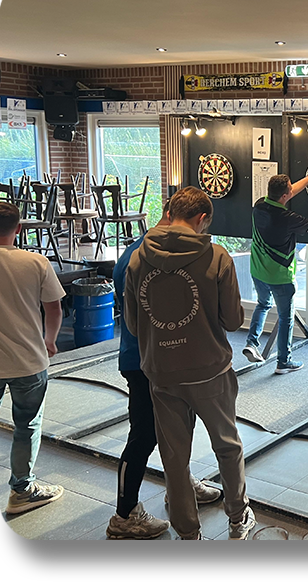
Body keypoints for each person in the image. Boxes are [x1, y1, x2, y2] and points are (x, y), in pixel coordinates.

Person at [123, 186, 255, 541]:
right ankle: (237, 519)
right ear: (202, 218)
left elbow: (133, 324)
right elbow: (233, 321)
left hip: (161, 371)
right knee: (227, 446)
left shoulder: (137, 258)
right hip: (209, 369)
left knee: (174, 458)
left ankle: (188, 532)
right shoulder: (217, 257)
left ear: (170, 213)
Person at [106, 200, 222, 539]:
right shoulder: (139, 256)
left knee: (178, 428)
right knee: (144, 435)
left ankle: (179, 488)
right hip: (144, 360)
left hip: (169, 359)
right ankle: (124, 514)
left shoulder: (145, 252)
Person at [0, 201, 66, 514]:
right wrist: (49, 340)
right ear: (19, 228)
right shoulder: (36, 262)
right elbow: (54, 308)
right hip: (28, 361)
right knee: (26, 425)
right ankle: (22, 491)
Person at [242, 164, 308, 373]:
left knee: (263, 304)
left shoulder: (259, 205)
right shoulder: (287, 218)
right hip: (280, 275)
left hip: (258, 271)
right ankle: (283, 361)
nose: (291, 191)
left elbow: (291, 191)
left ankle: (251, 342)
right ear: (284, 196)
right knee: (286, 318)